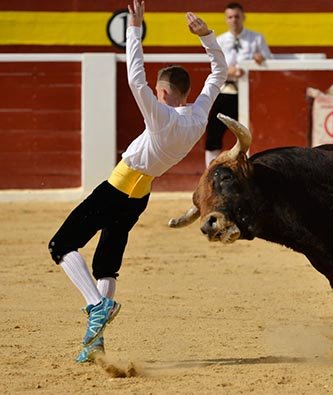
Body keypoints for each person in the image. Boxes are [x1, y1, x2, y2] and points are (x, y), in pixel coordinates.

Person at [48, 0, 227, 363]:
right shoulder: (197, 116)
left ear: (162, 93)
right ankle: (95, 340)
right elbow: (219, 71)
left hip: (119, 186)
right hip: (140, 196)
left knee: (60, 246)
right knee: (107, 265)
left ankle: (96, 307)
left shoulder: (159, 116)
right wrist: (206, 35)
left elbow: (134, 77)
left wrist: (134, 28)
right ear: (188, 93)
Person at [204, 2, 272, 167]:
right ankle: (210, 171)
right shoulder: (219, 41)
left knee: (253, 131)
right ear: (226, 20)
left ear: (243, 18)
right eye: (230, 17)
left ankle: (251, 170)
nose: (234, 20)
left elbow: (270, 62)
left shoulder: (256, 39)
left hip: (250, 93)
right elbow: (213, 67)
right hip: (227, 90)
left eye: (237, 16)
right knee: (213, 132)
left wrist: (261, 61)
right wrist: (228, 71)